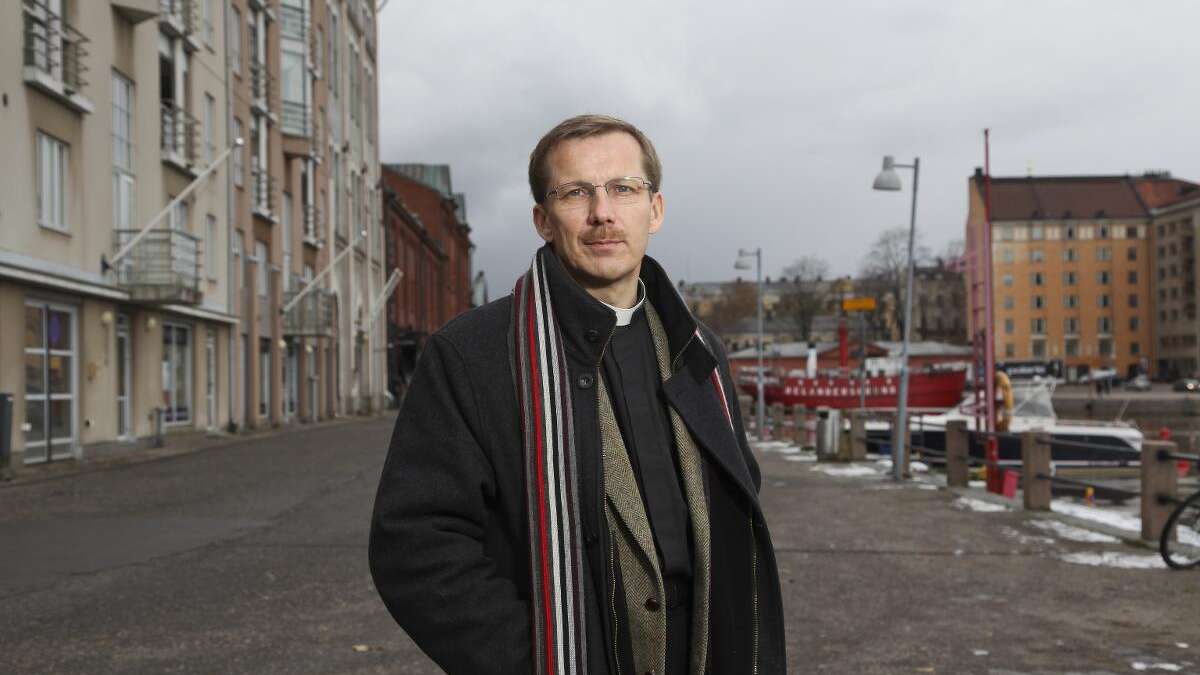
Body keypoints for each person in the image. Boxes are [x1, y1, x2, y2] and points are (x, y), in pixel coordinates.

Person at [369, 114, 785, 674]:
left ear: (655, 210)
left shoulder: (698, 350)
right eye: (575, 193)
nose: (602, 213)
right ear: (543, 220)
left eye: (624, 188)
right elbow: (415, 544)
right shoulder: (473, 355)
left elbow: (737, 495)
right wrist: (531, 660)